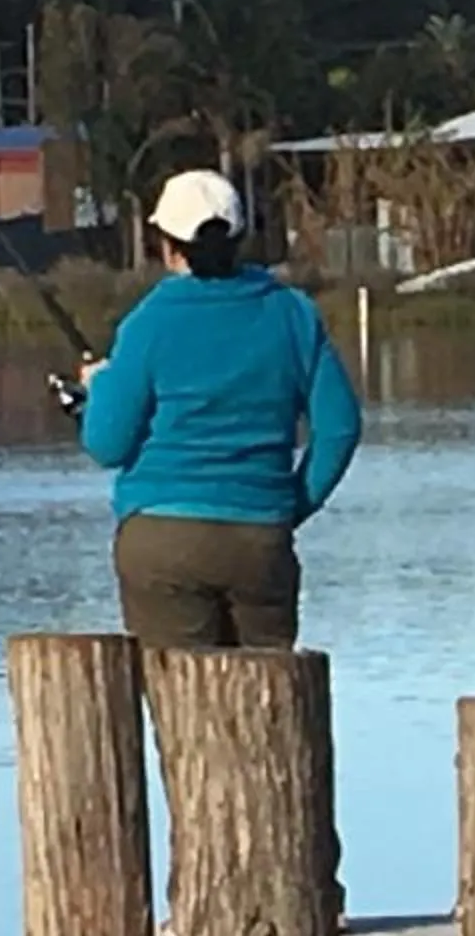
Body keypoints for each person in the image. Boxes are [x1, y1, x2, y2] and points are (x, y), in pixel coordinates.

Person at [80, 168, 363, 648]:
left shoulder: (148, 322)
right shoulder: (292, 313)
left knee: (185, 705)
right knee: (267, 703)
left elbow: (107, 444)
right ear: (239, 238)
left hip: (160, 538)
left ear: (167, 246)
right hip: (261, 539)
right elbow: (339, 429)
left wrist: (100, 385)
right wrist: (291, 505)